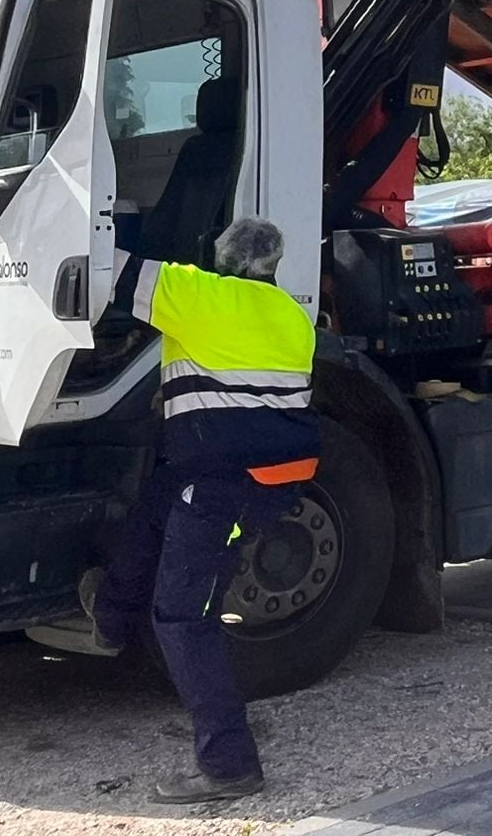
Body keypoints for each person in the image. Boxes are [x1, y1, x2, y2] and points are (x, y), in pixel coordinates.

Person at [81, 217, 319, 805]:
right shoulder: (293, 313)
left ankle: (229, 764)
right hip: (280, 479)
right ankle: (110, 617)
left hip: (224, 487)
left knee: (184, 618)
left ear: (223, 259)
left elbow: (103, 266)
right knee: (160, 497)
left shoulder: (197, 294)